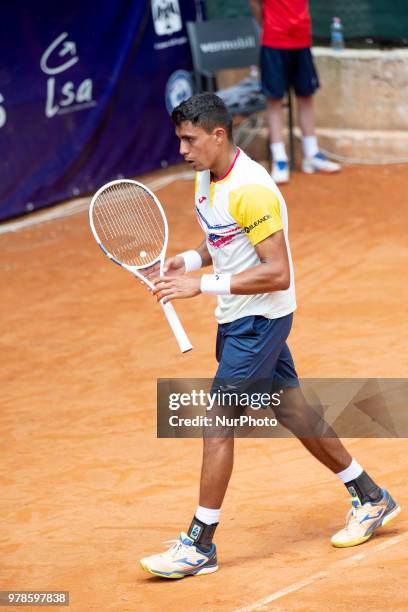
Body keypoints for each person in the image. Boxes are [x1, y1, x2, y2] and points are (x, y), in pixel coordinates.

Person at [139, 93, 399, 579]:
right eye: (180, 139)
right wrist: (191, 261)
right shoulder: (206, 178)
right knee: (293, 408)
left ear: (218, 136)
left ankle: (199, 544)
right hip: (237, 314)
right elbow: (221, 237)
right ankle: (371, 496)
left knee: (217, 420)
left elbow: (277, 272)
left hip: (261, 319)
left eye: (189, 139)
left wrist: (202, 284)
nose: (183, 149)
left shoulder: (253, 189)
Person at [249, 0, 340, 184]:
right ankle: (280, 158)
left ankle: (311, 154)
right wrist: (268, 26)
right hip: (274, 40)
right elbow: (254, 3)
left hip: (302, 39)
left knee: (306, 96)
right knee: (274, 100)